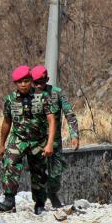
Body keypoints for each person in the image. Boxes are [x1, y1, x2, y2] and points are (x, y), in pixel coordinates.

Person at [0, 65, 57, 215]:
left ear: (31, 81)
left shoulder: (41, 97)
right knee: (10, 164)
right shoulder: (10, 100)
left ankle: (40, 204)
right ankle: (9, 200)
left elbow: (51, 120)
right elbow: (6, 122)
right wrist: (2, 145)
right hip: (18, 139)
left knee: (39, 173)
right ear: (15, 84)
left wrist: (49, 144)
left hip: (38, 141)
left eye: (26, 81)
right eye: (19, 82)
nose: (23, 84)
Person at [31, 65, 80, 208]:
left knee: (56, 174)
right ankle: (39, 202)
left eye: (41, 82)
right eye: (35, 83)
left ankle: (52, 193)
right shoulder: (28, 95)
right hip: (36, 141)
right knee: (37, 174)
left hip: (54, 142)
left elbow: (69, 114)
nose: (38, 85)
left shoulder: (56, 93)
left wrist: (74, 135)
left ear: (47, 79)